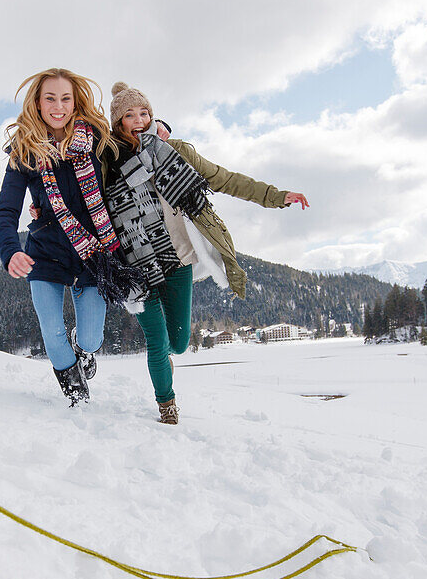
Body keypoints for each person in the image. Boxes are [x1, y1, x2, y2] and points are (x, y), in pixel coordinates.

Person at [101, 82, 309, 424]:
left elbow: (224, 179)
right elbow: (81, 194)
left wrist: (277, 195)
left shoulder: (176, 150)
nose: (139, 120)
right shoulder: (107, 159)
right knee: (157, 341)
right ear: (117, 122)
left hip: (180, 258)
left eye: (144, 113)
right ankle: (167, 405)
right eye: (129, 115)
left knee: (178, 344)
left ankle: (165, 362)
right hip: (134, 264)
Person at [0, 69, 147, 406]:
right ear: (37, 102)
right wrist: (10, 251)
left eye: (65, 98)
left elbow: (136, 141)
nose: (58, 106)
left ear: (76, 101)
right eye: (50, 98)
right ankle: (75, 392)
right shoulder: (25, 152)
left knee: (92, 338)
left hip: (94, 254)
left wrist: (159, 131)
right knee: (52, 334)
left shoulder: (98, 140)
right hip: (45, 253)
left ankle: (83, 348)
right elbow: (5, 211)